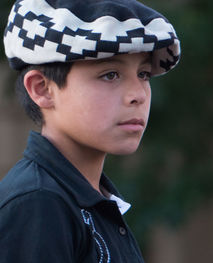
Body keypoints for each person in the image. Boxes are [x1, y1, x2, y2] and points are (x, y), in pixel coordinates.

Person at [0, 0, 180, 262]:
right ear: (42, 88)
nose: (137, 95)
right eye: (110, 75)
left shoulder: (93, 201)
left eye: (143, 74)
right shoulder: (38, 203)